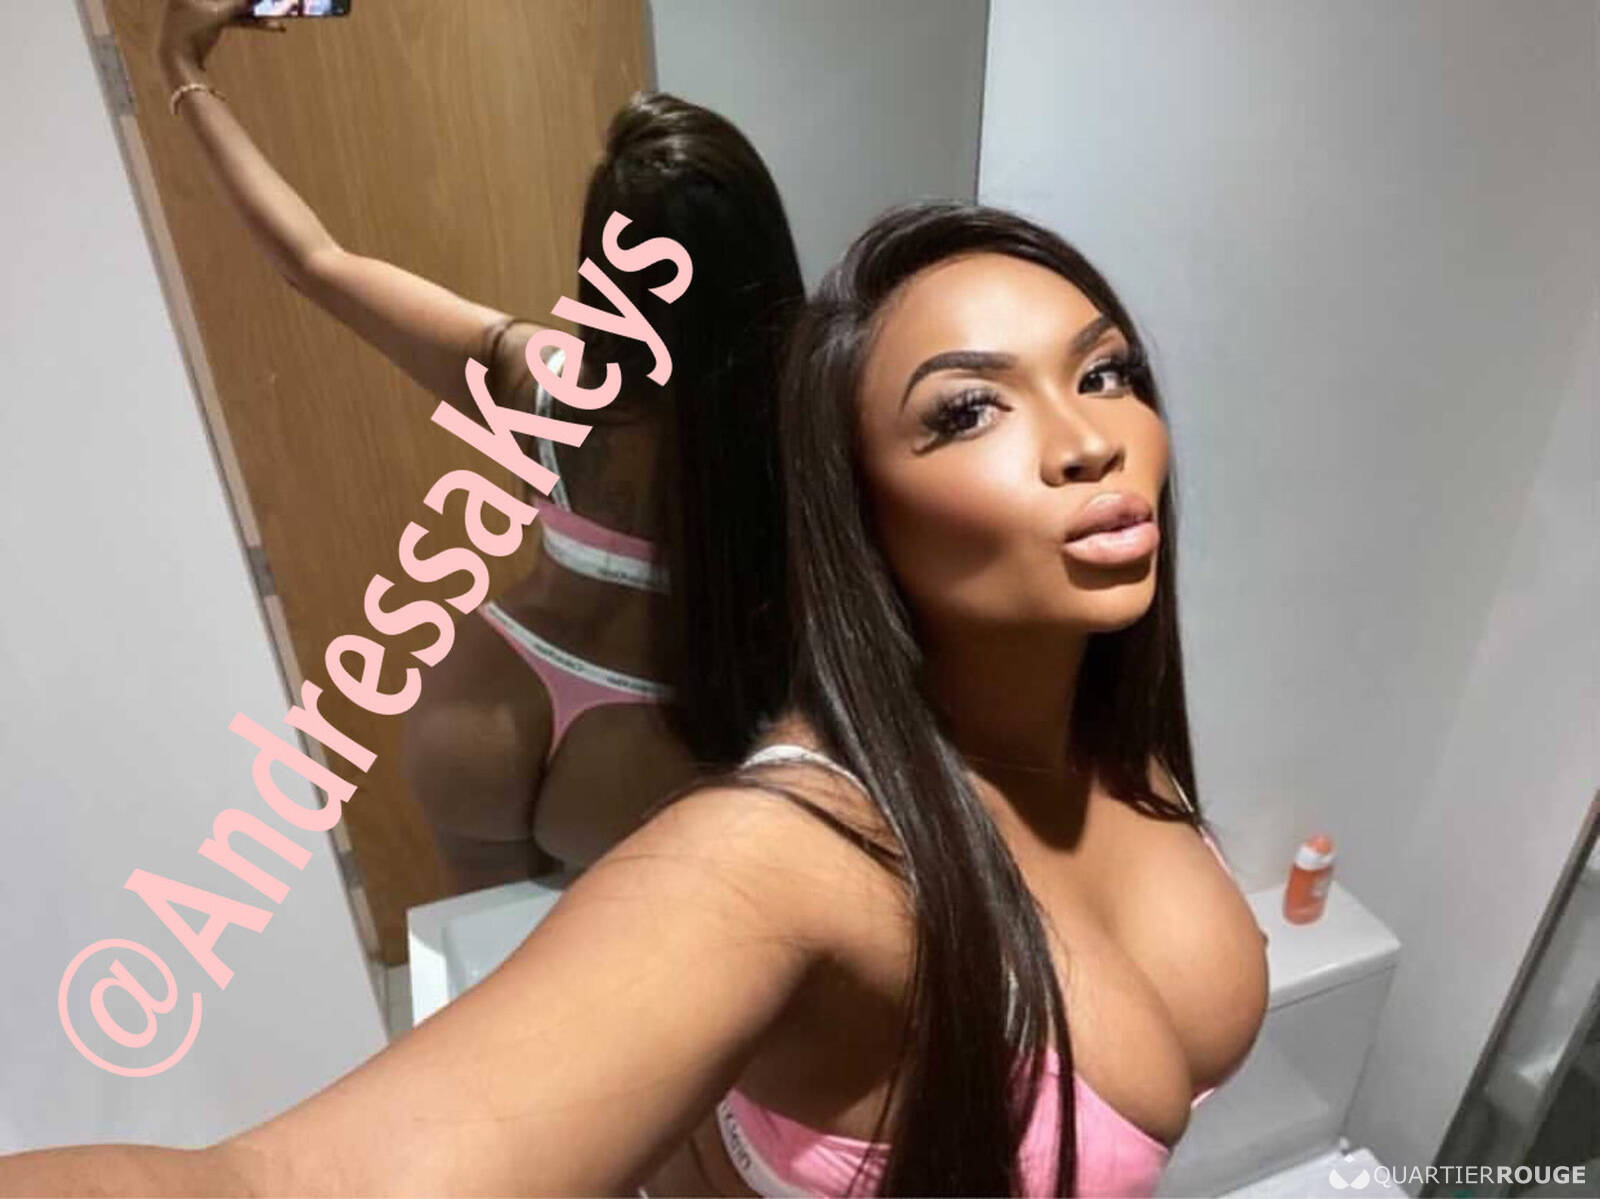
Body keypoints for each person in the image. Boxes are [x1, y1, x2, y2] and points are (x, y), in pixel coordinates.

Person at [0, 200, 1273, 1196]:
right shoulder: (795, 859)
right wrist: (184, 90)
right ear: (850, 504)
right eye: (969, 408)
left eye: (1104, 372)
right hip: (520, 691)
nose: (1089, 439)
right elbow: (284, 1184)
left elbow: (328, 264)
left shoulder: (1108, 733)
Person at [154, 0, 806, 892]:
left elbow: (315, 261)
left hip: (484, 704)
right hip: (646, 741)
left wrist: (182, 70)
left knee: (492, 948)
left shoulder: (539, 379)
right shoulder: (802, 427)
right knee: (607, 961)